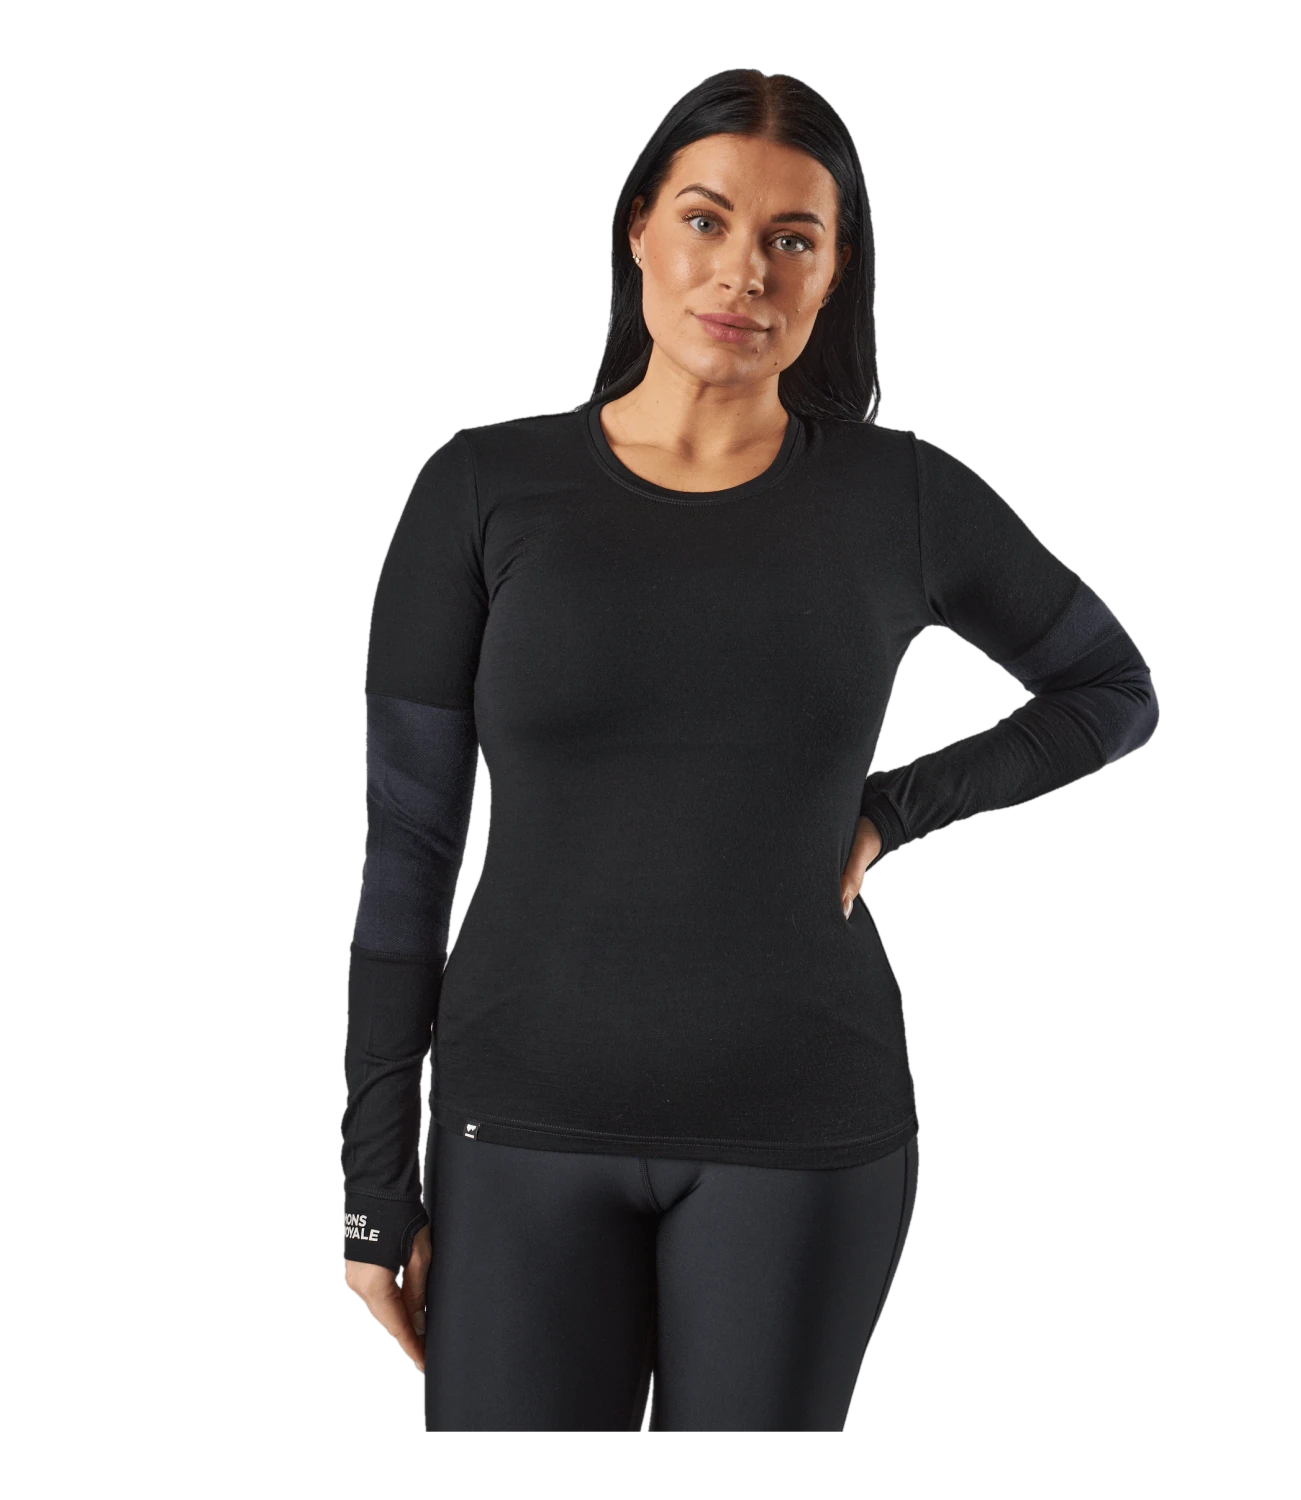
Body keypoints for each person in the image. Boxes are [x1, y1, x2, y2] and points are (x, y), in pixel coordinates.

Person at [340, 70, 1159, 1432]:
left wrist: (894, 809)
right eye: (707, 220)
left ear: (834, 273)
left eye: (792, 238)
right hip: (519, 1121)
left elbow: (1112, 688)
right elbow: (407, 848)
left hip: (802, 1130)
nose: (744, 272)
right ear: (639, 230)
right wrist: (372, 1187)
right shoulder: (480, 487)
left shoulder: (901, 495)